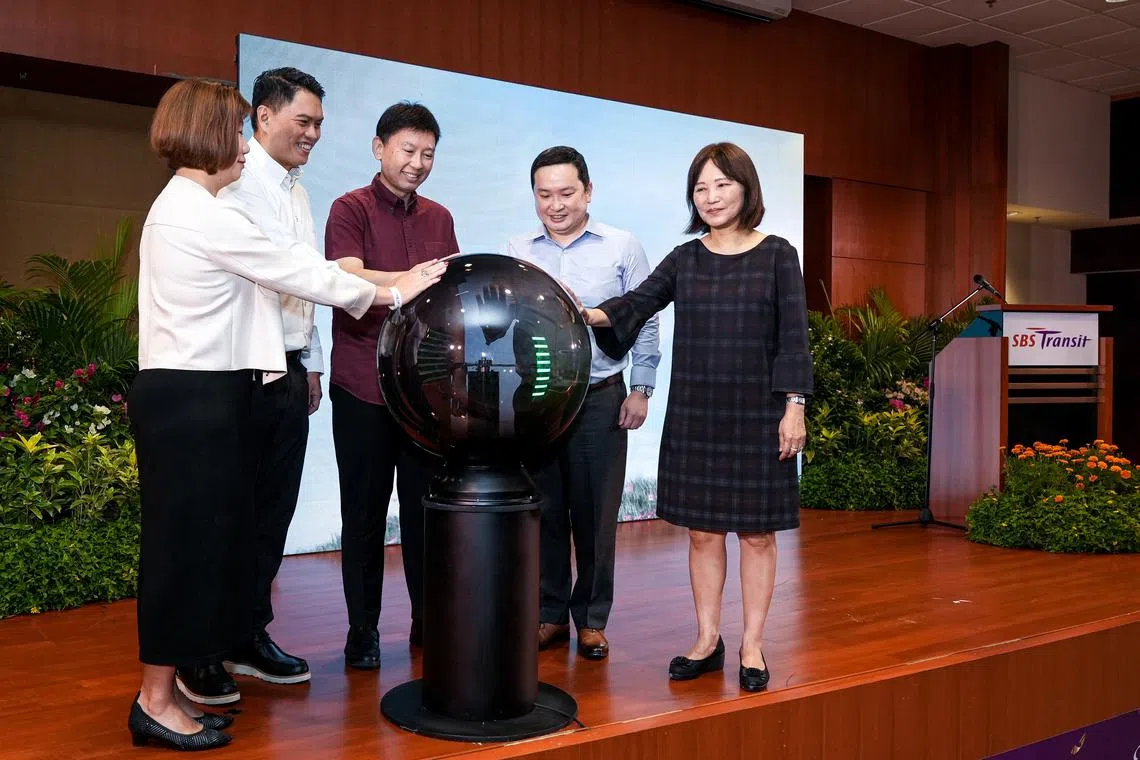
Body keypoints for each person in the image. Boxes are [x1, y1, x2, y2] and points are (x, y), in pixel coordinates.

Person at [128, 78, 444, 751]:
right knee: (181, 557)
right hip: (192, 396)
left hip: (198, 392)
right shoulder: (202, 212)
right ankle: (156, 701)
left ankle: (173, 690)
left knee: (199, 550)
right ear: (209, 135)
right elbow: (302, 274)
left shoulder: (194, 204)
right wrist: (398, 286)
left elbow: (293, 270)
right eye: (237, 131)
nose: (244, 146)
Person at [580, 142, 811, 692]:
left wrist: (794, 406)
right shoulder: (686, 258)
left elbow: (794, 338)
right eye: (700, 188)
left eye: (721, 184)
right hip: (697, 413)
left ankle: (752, 644)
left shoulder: (778, 253)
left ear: (746, 188)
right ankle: (708, 639)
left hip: (760, 414)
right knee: (703, 535)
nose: (710, 197)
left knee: (757, 536)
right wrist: (586, 312)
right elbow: (637, 302)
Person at [503, 146, 660, 660]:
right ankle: (549, 615)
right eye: (544, 194)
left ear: (588, 192)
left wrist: (640, 387)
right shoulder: (518, 250)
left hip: (601, 397)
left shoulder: (622, 246)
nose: (556, 204)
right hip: (540, 402)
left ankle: (592, 619)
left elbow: (646, 317)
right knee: (543, 512)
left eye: (566, 193)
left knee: (596, 516)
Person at [325, 101, 459, 669]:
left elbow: (449, 291)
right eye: (408, 150)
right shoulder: (348, 208)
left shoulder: (440, 217)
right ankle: (363, 631)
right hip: (362, 386)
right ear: (379, 148)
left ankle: (429, 620)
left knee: (427, 509)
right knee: (363, 514)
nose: (418, 163)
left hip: (425, 392)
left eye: (428, 153)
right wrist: (404, 283)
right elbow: (344, 277)